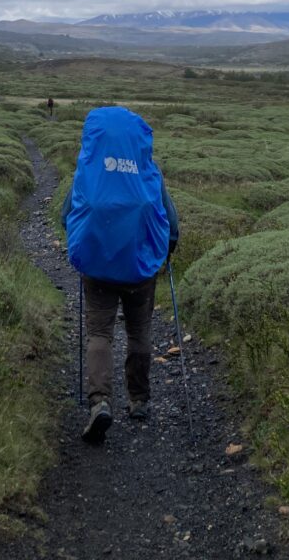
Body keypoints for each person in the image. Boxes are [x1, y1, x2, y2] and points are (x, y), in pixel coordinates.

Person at [61, 106, 179, 443]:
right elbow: (170, 221)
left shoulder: (88, 171)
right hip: (141, 268)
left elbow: (66, 214)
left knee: (100, 332)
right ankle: (139, 401)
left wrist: (80, 248)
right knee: (139, 331)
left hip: (98, 267)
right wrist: (166, 251)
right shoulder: (148, 171)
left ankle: (100, 403)